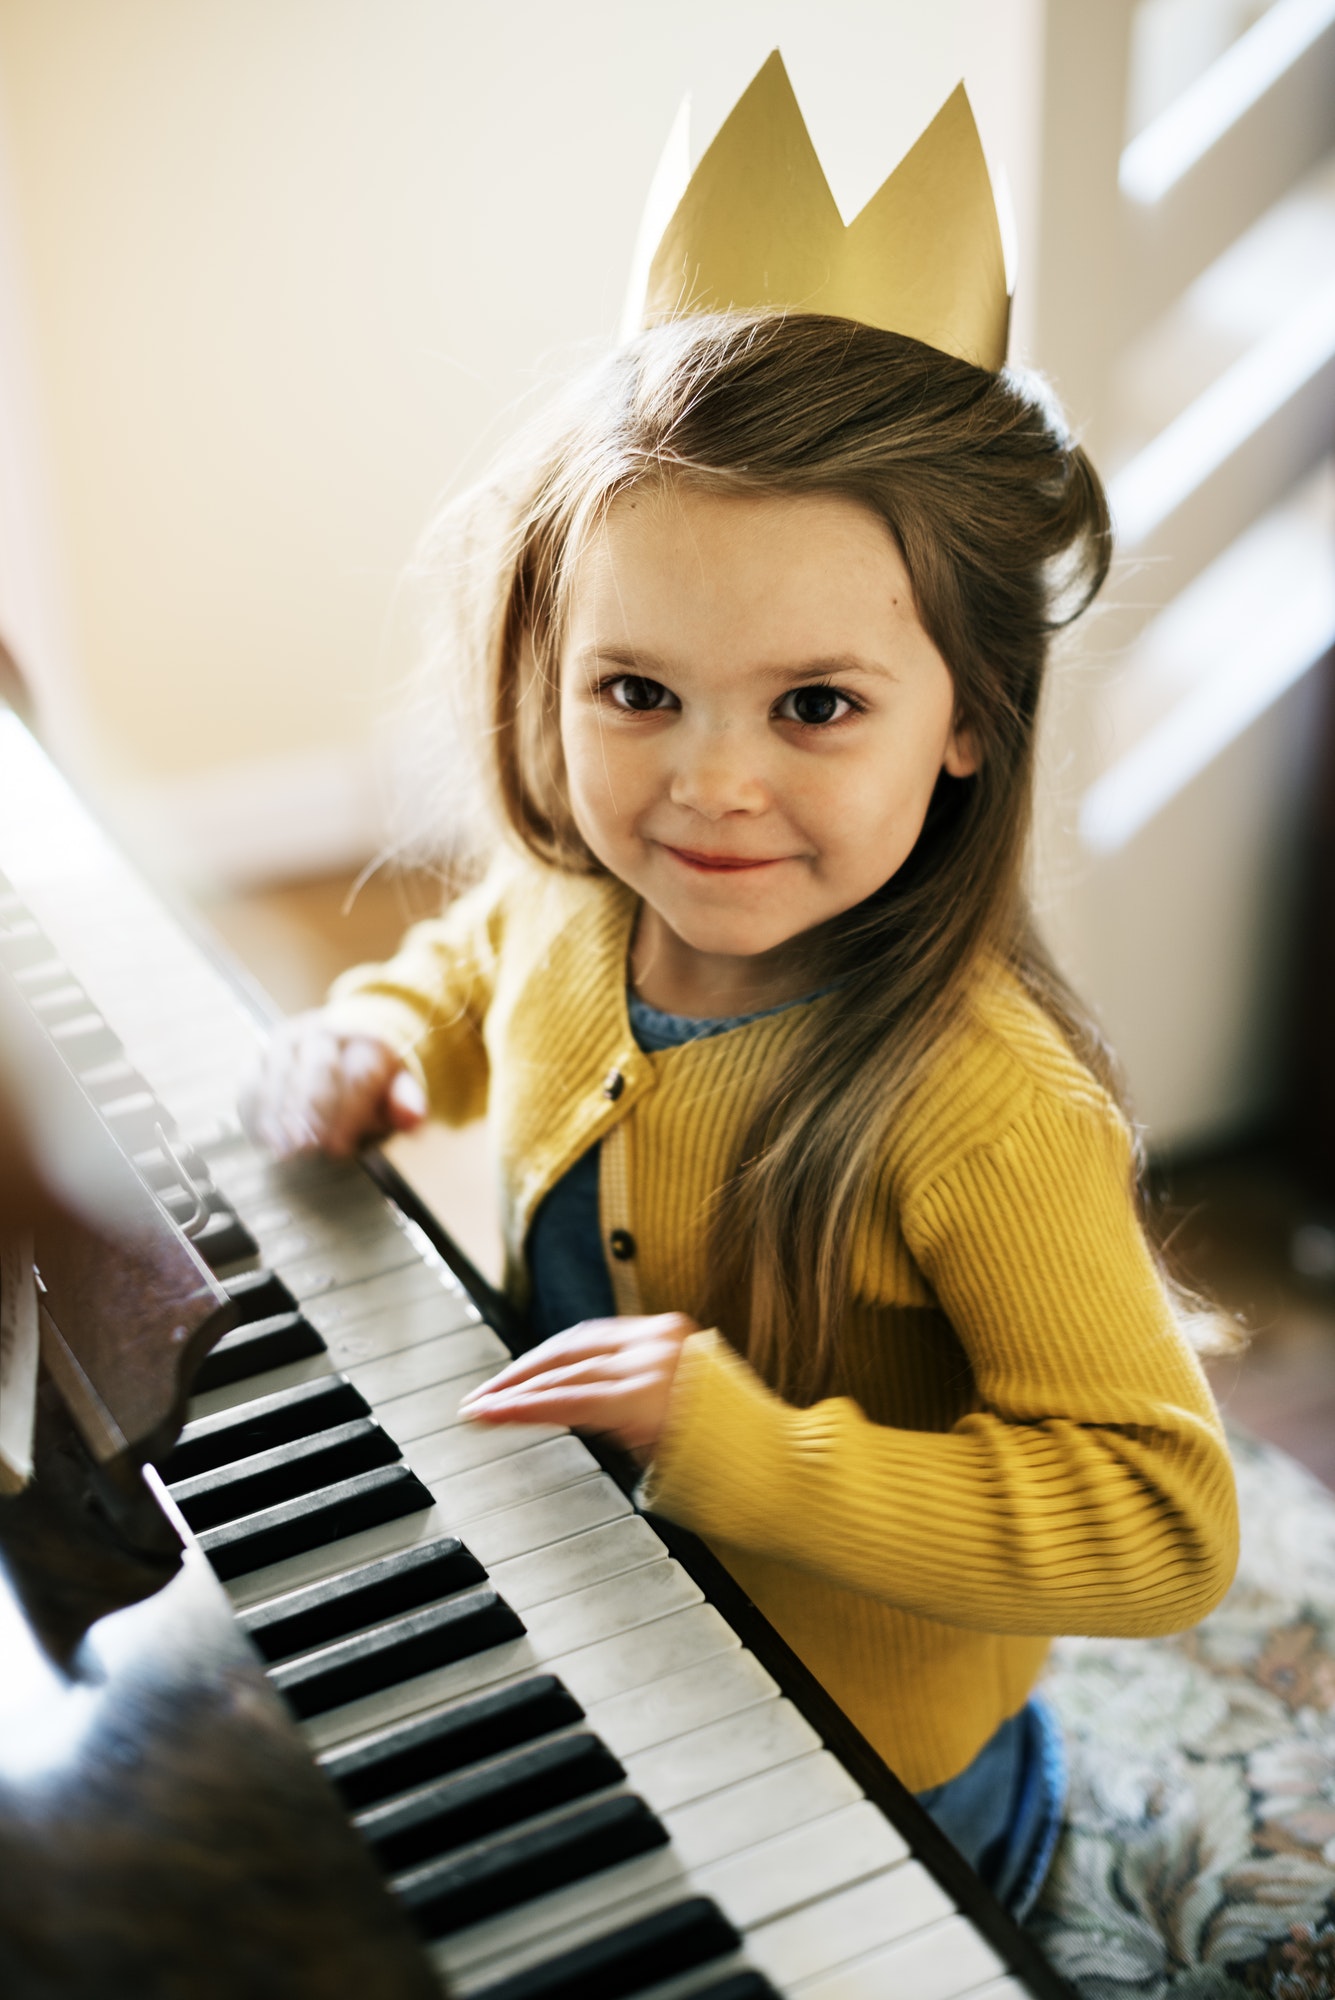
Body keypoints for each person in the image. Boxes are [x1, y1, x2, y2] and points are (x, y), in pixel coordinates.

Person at [241, 78, 1239, 1923]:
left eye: (815, 705)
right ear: (548, 660)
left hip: (875, 1759)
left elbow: (1166, 1524)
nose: (705, 788)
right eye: (637, 691)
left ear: (969, 727)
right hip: (607, 1616)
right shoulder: (576, 893)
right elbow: (472, 968)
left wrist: (744, 1451)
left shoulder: (988, 1109)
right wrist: (380, 1032)